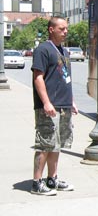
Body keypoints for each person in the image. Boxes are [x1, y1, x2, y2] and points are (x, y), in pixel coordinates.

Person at [30, 16, 78, 196]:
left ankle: (52, 179)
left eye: (66, 28)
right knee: (45, 143)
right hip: (49, 107)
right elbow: (38, 77)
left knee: (57, 145)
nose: (65, 32)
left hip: (63, 105)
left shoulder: (63, 51)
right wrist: (46, 102)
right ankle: (37, 182)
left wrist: (71, 101)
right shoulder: (43, 49)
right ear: (51, 29)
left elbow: (65, 77)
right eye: (61, 29)